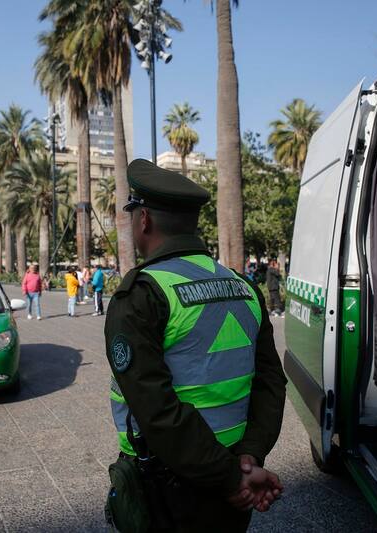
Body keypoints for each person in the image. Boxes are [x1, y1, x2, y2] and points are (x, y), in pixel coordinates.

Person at [104, 159, 287, 531]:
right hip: (239, 471)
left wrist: (229, 478)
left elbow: (157, 409)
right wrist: (249, 459)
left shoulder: (142, 294)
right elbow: (271, 383)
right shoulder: (244, 287)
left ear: (145, 221)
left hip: (171, 488)